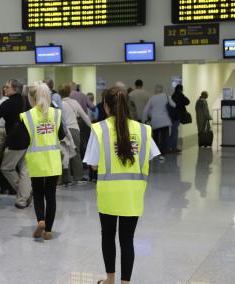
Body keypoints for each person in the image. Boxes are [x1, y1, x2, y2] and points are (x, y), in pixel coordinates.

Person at [83, 87, 160, 284]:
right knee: (127, 239)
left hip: (109, 193)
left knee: (108, 236)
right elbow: (151, 156)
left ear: (106, 107)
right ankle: (125, 283)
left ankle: (110, 280)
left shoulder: (99, 129)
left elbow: (93, 165)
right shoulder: (143, 130)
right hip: (133, 193)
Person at [18, 82, 65, 240]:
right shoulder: (56, 114)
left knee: (38, 193)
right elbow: (62, 136)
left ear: (31, 98)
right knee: (50, 195)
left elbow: (23, 140)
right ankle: (49, 231)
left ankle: (41, 220)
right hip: (53, 161)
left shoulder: (27, 115)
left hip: (37, 162)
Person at [0, 79, 32, 209]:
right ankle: (23, 198)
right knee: (24, 170)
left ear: (14, 89)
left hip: (15, 140)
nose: (4, 89)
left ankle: (24, 193)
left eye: (6, 87)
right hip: (29, 138)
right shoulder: (26, 100)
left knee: (6, 167)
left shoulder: (8, 103)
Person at [60, 84, 91, 186]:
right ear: (69, 92)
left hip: (64, 131)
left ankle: (67, 179)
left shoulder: (58, 103)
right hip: (74, 129)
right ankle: (78, 177)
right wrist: (93, 127)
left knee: (65, 154)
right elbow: (84, 116)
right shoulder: (74, 102)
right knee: (76, 153)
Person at [142, 84, 175, 161]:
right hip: (165, 121)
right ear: (162, 90)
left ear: (155, 90)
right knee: (164, 138)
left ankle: (156, 153)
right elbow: (174, 105)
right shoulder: (166, 96)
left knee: (155, 137)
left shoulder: (152, 98)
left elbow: (146, 110)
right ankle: (163, 154)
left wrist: (143, 122)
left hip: (155, 121)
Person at [169, 84, 190, 153]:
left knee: (173, 131)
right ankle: (173, 148)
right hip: (177, 116)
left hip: (172, 116)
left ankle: (170, 147)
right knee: (175, 132)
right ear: (181, 89)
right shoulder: (180, 95)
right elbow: (187, 101)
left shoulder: (173, 95)